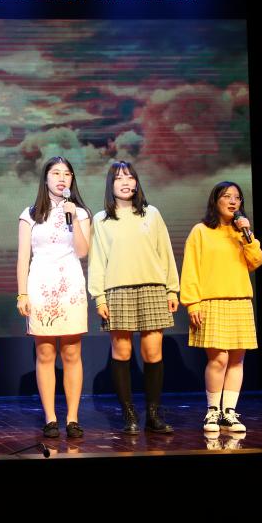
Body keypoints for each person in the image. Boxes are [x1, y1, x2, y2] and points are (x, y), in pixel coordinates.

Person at [87, 162, 179, 434]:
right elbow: (97, 260)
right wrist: (99, 297)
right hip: (117, 290)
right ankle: (129, 415)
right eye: (119, 178)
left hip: (152, 287)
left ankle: (153, 414)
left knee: (153, 352)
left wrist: (172, 289)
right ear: (111, 185)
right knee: (122, 352)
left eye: (130, 177)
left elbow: (165, 252)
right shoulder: (101, 219)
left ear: (137, 183)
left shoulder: (152, 214)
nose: (125, 182)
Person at [16, 157, 92, 439]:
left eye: (67, 174)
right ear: (45, 178)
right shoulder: (30, 214)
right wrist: (22, 293)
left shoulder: (80, 212)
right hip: (40, 285)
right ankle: (50, 417)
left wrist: (75, 220)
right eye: (56, 173)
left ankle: (72, 418)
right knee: (45, 353)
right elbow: (23, 258)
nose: (62, 178)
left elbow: (82, 252)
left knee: (72, 353)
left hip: (70, 285)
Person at [180, 181, 262, 433]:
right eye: (227, 196)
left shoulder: (241, 233)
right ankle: (212, 412)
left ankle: (229, 412)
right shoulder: (201, 231)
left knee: (237, 360)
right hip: (211, 301)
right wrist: (192, 303)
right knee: (219, 359)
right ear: (215, 201)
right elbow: (191, 269)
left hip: (240, 301)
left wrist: (248, 236)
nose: (233, 201)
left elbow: (256, 261)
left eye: (237, 197)